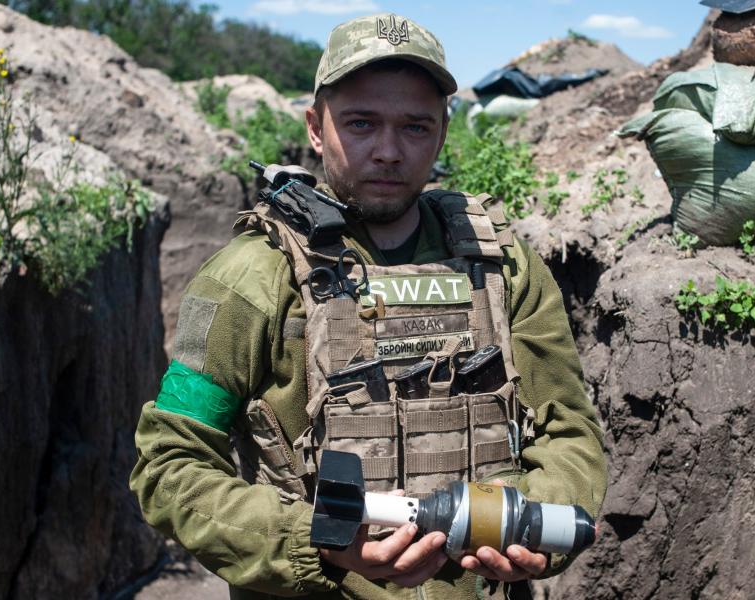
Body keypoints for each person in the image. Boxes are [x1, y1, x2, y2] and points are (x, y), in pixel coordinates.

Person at [130, 12, 607, 600]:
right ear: (315, 127)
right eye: (361, 123)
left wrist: (538, 527)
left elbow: (568, 431)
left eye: (414, 127)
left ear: (442, 133)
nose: (388, 151)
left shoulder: (504, 265)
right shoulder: (247, 277)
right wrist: (315, 544)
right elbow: (169, 465)